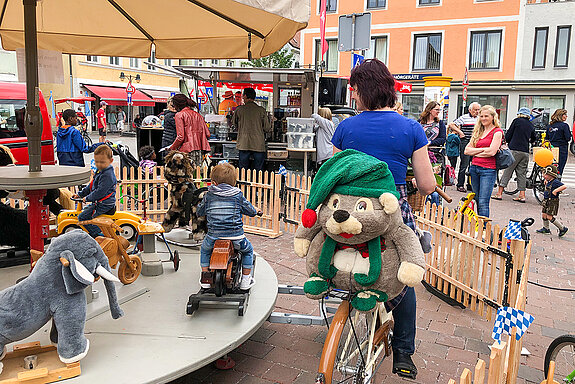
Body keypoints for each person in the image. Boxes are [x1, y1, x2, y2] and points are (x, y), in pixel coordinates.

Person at [331, 59, 435, 379]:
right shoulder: (410, 128)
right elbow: (428, 184)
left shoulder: (347, 127)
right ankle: (404, 352)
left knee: (349, 258)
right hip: (391, 211)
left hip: (353, 211)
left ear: (362, 91)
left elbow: (333, 174)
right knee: (404, 274)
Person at [197, 163, 261, 290]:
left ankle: (205, 277)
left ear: (214, 182)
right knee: (248, 251)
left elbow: (200, 211)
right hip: (236, 236)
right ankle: (245, 281)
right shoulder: (237, 195)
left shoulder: (208, 195)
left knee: (204, 250)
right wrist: (255, 211)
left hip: (214, 236)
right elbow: (249, 209)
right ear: (234, 183)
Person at [464, 105, 503, 218]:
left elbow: (492, 152)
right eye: (481, 116)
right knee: (476, 198)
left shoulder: (497, 132)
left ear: (492, 117)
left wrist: (475, 151)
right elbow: (466, 150)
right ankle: (479, 224)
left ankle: (484, 228)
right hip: (474, 168)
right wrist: (483, 149)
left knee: (483, 201)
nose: (483, 118)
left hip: (488, 170)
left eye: (486, 116)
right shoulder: (478, 131)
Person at [493, 107, 536, 202]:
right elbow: (534, 138)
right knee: (522, 173)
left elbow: (508, 135)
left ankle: (499, 193)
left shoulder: (516, 121)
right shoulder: (530, 124)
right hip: (525, 151)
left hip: (514, 150)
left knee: (508, 171)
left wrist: (507, 141)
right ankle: (522, 195)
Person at [74, 145, 117, 238]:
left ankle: (100, 235)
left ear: (111, 161)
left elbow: (100, 192)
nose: (99, 164)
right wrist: (80, 194)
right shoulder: (100, 171)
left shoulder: (107, 175)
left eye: (102, 162)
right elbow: (91, 185)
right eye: (96, 162)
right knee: (86, 211)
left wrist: (87, 198)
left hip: (104, 203)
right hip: (99, 202)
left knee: (83, 217)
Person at [233, 87, 271, 171]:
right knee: (258, 170)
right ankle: (257, 183)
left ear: (245, 96)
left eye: (243, 96)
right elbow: (267, 128)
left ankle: (243, 184)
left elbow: (233, 124)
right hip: (258, 144)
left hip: (243, 143)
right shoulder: (261, 110)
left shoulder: (239, 110)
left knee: (243, 169)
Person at [168, 93, 211, 167]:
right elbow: (208, 134)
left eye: (173, 105)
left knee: (186, 174)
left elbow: (180, 137)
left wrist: (172, 148)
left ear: (177, 105)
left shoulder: (179, 115)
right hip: (199, 149)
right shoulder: (198, 115)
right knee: (197, 174)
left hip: (186, 150)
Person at [449, 102, 481, 192]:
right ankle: (460, 184)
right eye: (475, 110)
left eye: (478, 110)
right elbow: (451, 124)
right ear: (470, 110)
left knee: (474, 164)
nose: (477, 111)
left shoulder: (479, 119)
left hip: (476, 143)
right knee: (464, 164)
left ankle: (470, 184)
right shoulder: (464, 117)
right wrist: (460, 132)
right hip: (465, 142)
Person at [535, 165, 568, 237]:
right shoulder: (549, 181)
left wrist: (556, 190)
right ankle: (546, 228)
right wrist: (546, 182)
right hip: (546, 200)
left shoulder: (555, 182)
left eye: (546, 174)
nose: (544, 176)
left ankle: (562, 228)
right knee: (544, 214)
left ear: (551, 175)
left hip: (552, 201)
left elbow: (564, 186)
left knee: (549, 216)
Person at [546, 109, 571, 175]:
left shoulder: (550, 126)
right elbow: (568, 138)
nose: (566, 116)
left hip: (551, 149)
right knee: (559, 169)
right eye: (565, 115)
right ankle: (556, 182)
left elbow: (547, 138)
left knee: (550, 168)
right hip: (561, 150)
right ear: (561, 116)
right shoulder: (564, 126)